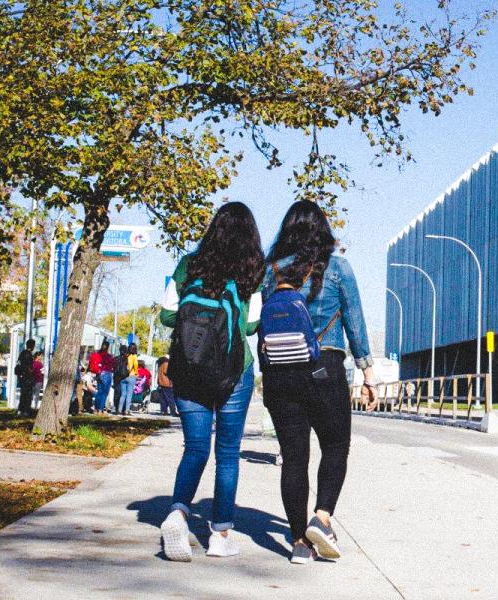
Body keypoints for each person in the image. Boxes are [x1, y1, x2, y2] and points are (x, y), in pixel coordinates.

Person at [261, 201, 378, 565]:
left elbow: (265, 324)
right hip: (324, 367)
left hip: (280, 373)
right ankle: (322, 518)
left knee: (294, 458)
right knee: (335, 446)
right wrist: (367, 373)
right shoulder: (338, 267)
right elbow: (355, 321)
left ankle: (299, 542)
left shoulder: (271, 272)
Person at [158, 202, 265, 561]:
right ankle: (220, 535)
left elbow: (167, 314)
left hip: (188, 367)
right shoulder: (253, 270)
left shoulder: (189, 264)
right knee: (228, 454)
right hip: (234, 371)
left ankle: (177, 512)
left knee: (195, 447)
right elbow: (251, 326)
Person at [88, 341, 115, 414]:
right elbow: (112, 365)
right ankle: (100, 409)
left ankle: (96, 409)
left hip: (98, 374)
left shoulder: (97, 354)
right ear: (108, 347)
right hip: (106, 374)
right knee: (104, 393)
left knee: (99, 392)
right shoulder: (108, 356)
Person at [117, 344, 139, 415]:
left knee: (123, 394)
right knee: (129, 395)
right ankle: (126, 410)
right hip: (131, 376)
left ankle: (119, 410)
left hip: (123, 377)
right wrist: (136, 373)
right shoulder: (134, 356)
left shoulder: (126, 355)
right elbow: (135, 365)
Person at [16, 339, 36, 416]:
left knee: (23, 394)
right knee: (28, 394)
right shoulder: (29, 355)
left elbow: (19, 363)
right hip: (27, 377)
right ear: (32, 346)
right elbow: (29, 367)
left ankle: (20, 410)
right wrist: (31, 373)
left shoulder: (22, 353)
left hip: (21, 376)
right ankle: (26, 411)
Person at [113, 344, 130, 414]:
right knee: (124, 393)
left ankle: (117, 408)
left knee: (117, 393)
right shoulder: (128, 359)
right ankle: (123, 409)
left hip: (116, 378)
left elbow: (113, 368)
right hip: (125, 377)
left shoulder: (115, 358)